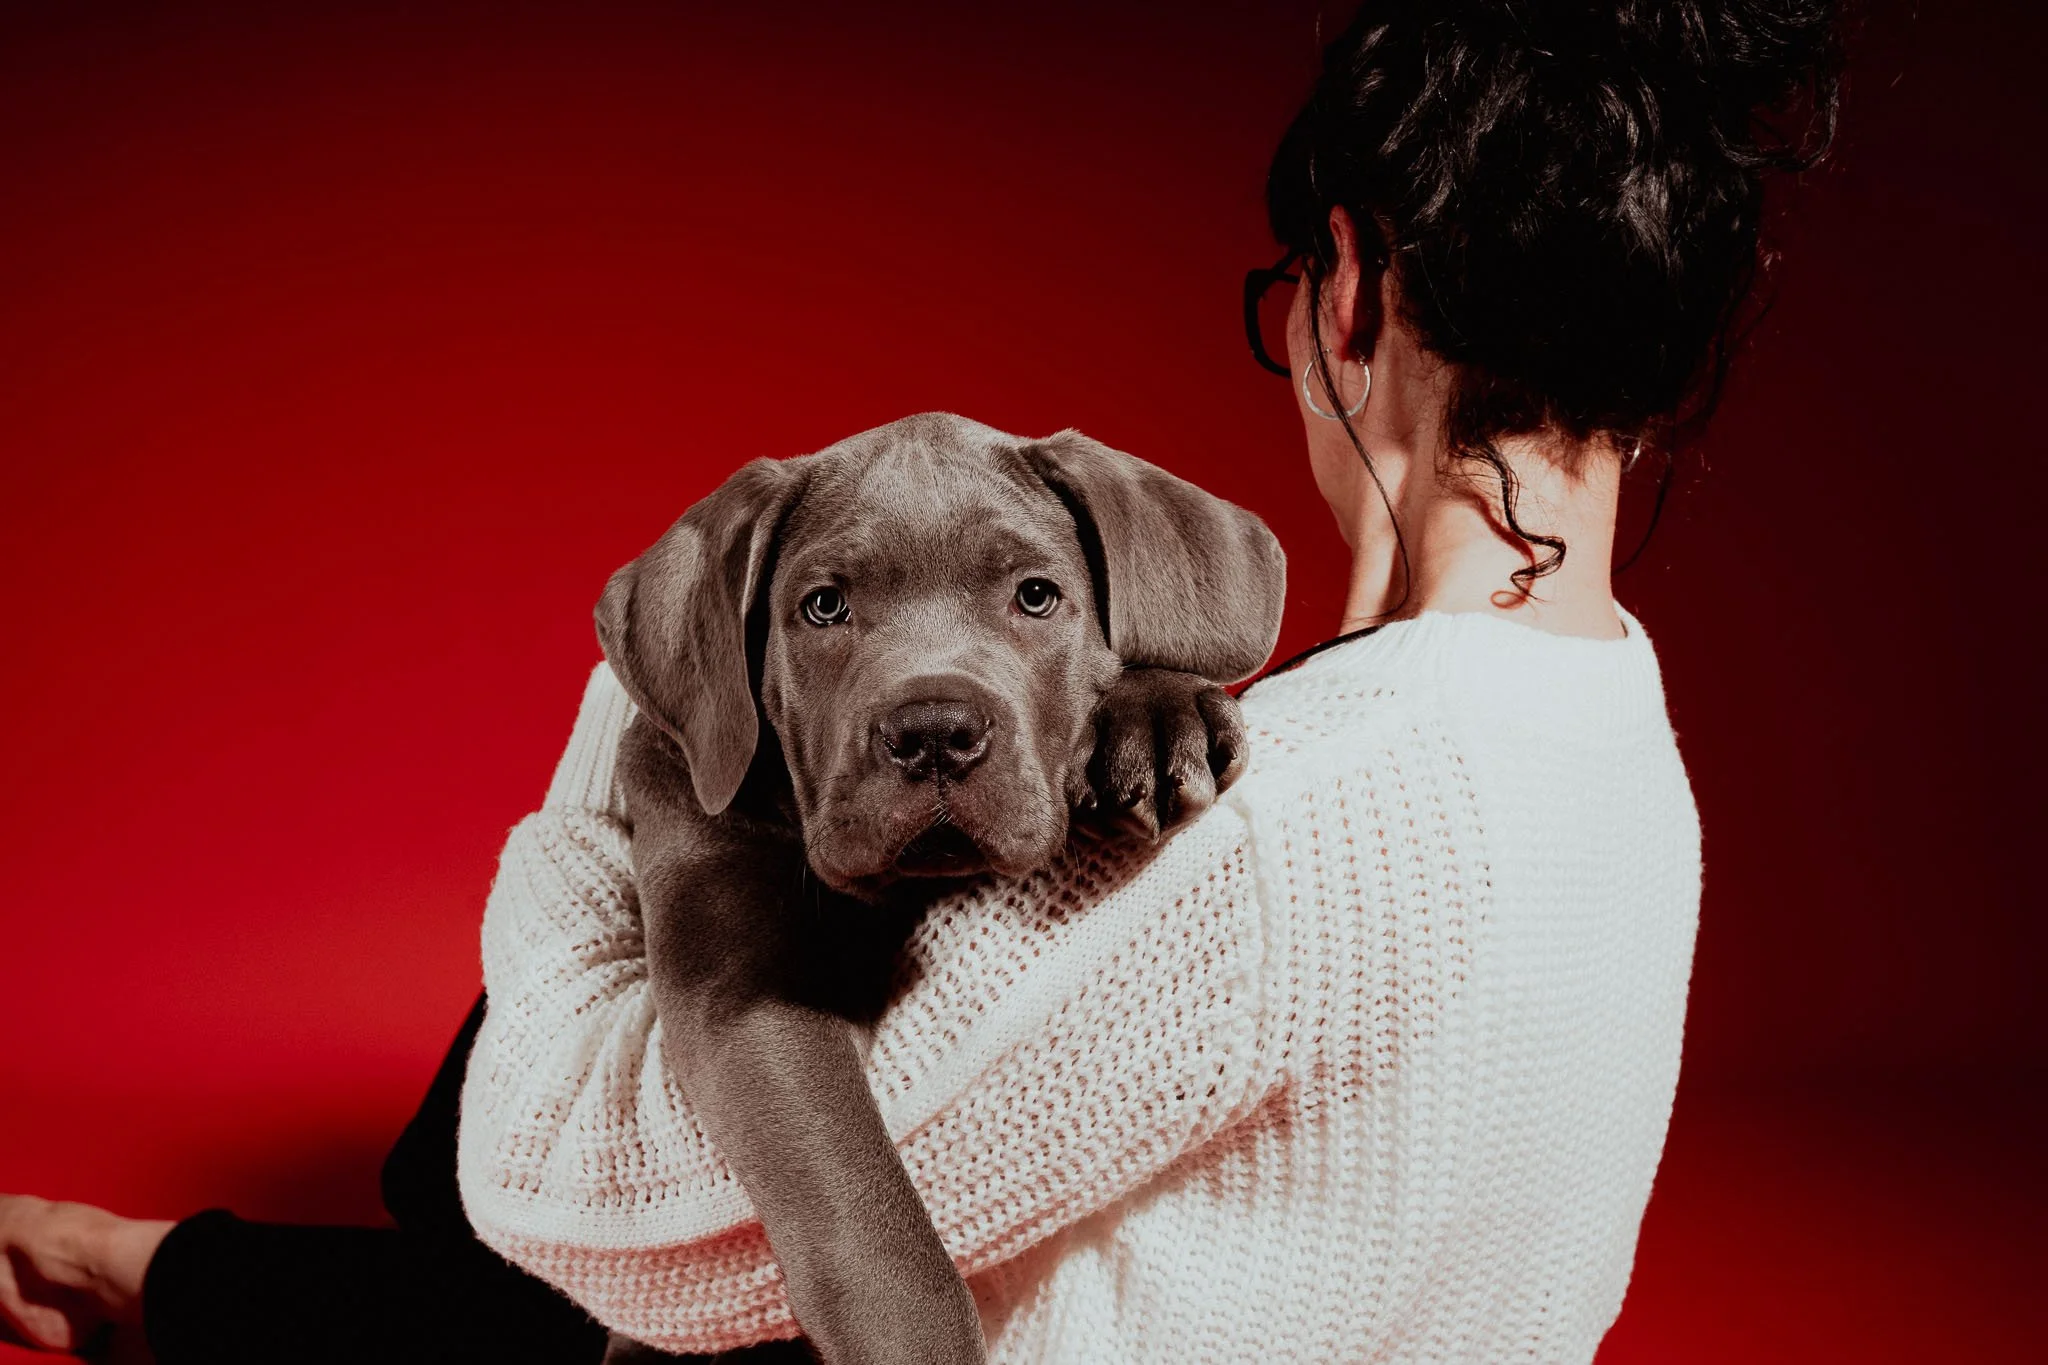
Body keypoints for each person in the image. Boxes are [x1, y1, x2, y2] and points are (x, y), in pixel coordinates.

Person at [0, 2, 1844, 1361]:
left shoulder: (1277, 836)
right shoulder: (1619, 740)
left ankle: (135, 1277)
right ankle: (141, 1268)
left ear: (1346, 296)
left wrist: (626, 761)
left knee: (528, 1181)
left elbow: (593, 1214)